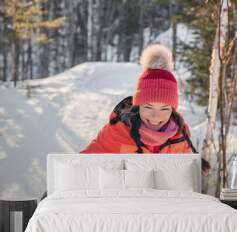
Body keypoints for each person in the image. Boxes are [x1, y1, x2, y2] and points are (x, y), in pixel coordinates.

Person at [80, 44, 210, 175]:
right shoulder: (118, 132)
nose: (155, 117)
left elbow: (184, 178)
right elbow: (80, 166)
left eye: (164, 109)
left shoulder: (180, 137)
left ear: (173, 109)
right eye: (148, 107)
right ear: (138, 105)